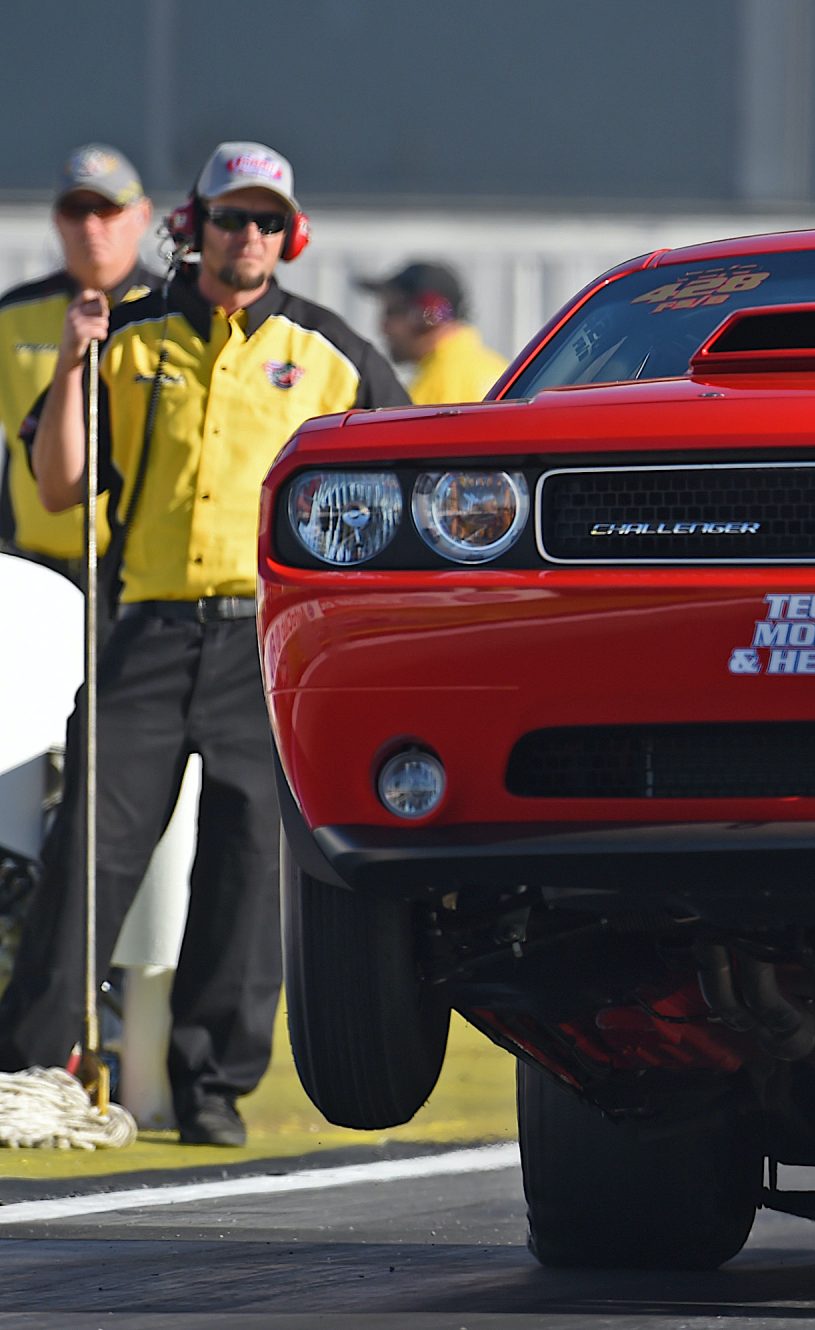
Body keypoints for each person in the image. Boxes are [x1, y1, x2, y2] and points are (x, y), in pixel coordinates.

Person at [0, 142, 409, 1147]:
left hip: (266, 643)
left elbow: (408, 473)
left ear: (292, 235)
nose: (250, 238)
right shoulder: (130, 336)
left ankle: (212, 1081)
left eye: (268, 221)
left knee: (247, 866)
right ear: (195, 226)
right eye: (232, 218)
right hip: (144, 625)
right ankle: (32, 1064)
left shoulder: (332, 351)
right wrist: (76, 357)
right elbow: (56, 484)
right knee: (88, 850)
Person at [0, 145, 158, 585]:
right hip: (33, 563)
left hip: (138, 570)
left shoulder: (170, 315)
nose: (91, 225)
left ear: (142, 215)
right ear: (57, 220)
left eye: (107, 209)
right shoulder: (12, 315)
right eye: (76, 209)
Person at [358, 260, 508, 404]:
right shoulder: (494, 366)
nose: (383, 327)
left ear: (429, 315)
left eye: (392, 312)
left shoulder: (439, 383)